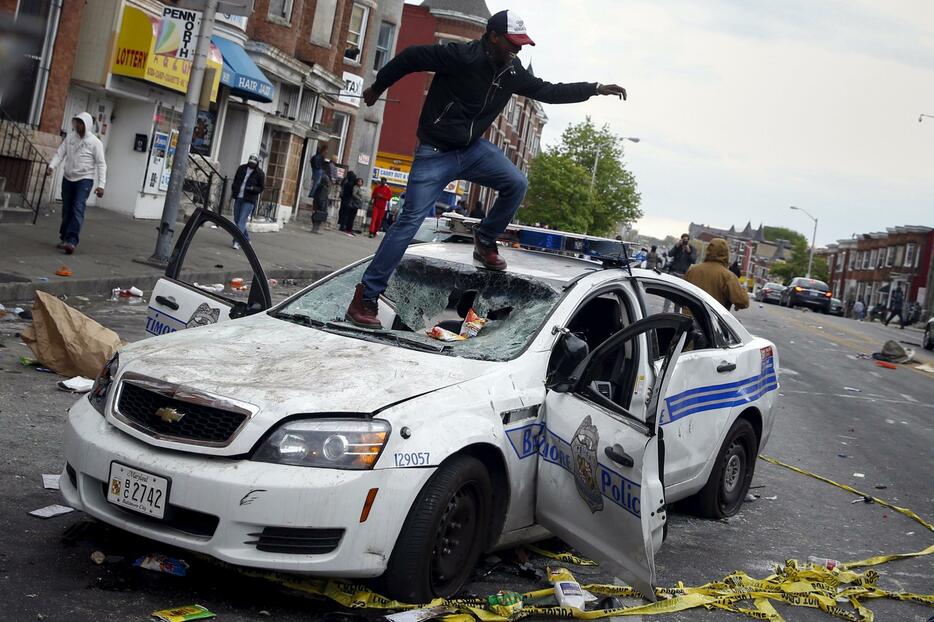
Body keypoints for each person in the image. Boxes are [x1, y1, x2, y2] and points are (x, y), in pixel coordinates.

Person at [344, 9, 627, 327]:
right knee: (408, 223)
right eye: (512, 44)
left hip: (472, 149)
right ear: (492, 37)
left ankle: (486, 239)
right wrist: (377, 87)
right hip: (436, 151)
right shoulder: (461, 56)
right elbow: (410, 57)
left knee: (516, 182)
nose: (516, 51)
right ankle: (365, 298)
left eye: (521, 46)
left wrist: (594, 88)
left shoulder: (512, 71)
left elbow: (548, 90)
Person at [46, 112, 107, 255]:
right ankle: (64, 237)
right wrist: (52, 166)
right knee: (66, 209)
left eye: (80, 123)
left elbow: (101, 164)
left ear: (87, 125)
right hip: (68, 178)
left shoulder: (95, 142)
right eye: (76, 123)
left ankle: (72, 241)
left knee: (77, 208)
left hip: (84, 179)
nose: (77, 126)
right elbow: (60, 153)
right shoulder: (70, 138)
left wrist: (101, 185)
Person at [685, 238, 749, 312]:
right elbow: (743, 302)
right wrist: (743, 290)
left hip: (689, 318)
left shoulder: (692, 270)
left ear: (708, 250)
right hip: (711, 320)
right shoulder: (728, 276)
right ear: (726, 254)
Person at [230, 154, 265, 249]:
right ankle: (246, 238)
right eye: (250, 162)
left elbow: (261, 188)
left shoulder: (259, 173)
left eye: (253, 163)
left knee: (242, 220)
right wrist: (234, 189)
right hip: (239, 196)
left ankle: (237, 241)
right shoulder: (241, 169)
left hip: (249, 199)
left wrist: (253, 188)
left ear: (257, 163)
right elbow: (236, 180)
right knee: (237, 219)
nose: (251, 165)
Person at [310, 163, 332, 234]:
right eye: (328, 182)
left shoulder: (319, 185)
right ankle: (315, 229)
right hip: (320, 204)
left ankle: (314, 229)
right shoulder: (324, 187)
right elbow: (321, 198)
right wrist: (322, 207)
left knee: (316, 215)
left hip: (317, 201)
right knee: (319, 216)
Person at [338, 171, 359, 235]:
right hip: (348, 200)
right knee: (346, 214)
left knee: (343, 212)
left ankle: (342, 225)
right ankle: (343, 226)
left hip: (344, 198)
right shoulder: (351, 184)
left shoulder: (345, 181)